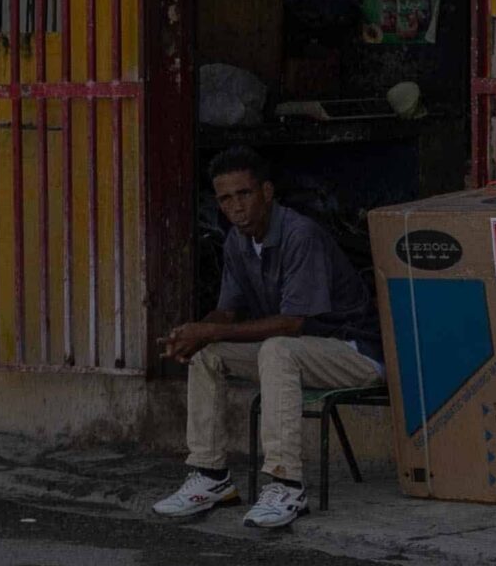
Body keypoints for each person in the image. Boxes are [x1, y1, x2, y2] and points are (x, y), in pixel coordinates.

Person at [153, 146, 383, 531]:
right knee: (208, 353)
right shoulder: (237, 242)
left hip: (355, 354)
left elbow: (291, 323)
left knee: (277, 349)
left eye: (244, 194)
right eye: (226, 199)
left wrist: (210, 330)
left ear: (267, 192)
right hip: (299, 353)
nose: (236, 207)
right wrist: (194, 332)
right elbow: (226, 313)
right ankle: (211, 477)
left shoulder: (300, 234)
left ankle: (286, 485)